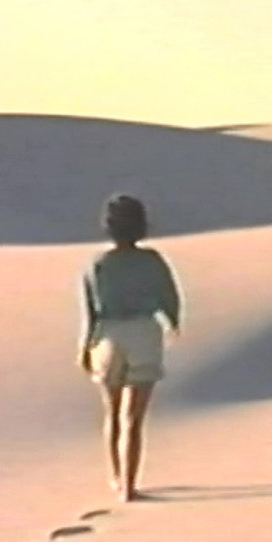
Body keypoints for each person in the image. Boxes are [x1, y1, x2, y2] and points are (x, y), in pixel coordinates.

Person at [77, 194, 182, 502]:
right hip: (144, 333)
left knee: (112, 412)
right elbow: (169, 296)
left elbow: (91, 310)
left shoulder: (98, 263)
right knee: (134, 418)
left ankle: (114, 475)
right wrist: (173, 322)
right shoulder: (152, 260)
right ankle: (129, 486)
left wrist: (85, 345)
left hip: (109, 334)